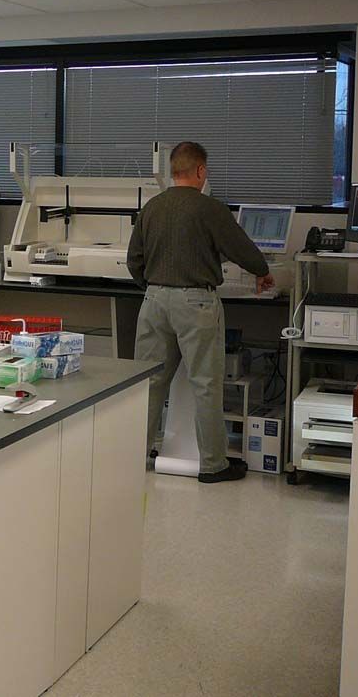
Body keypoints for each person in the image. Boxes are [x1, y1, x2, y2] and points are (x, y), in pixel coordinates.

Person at [126, 141, 275, 483]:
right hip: (196, 303)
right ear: (200, 171)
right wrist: (263, 272)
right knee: (206, 384)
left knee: (147, 383)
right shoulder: (210, 209)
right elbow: (242, 249)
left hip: (153, 301)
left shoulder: (152, 207)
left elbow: (135, 259)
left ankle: (134, 455)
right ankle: (213, 464)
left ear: (172, 171)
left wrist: (153, 287)